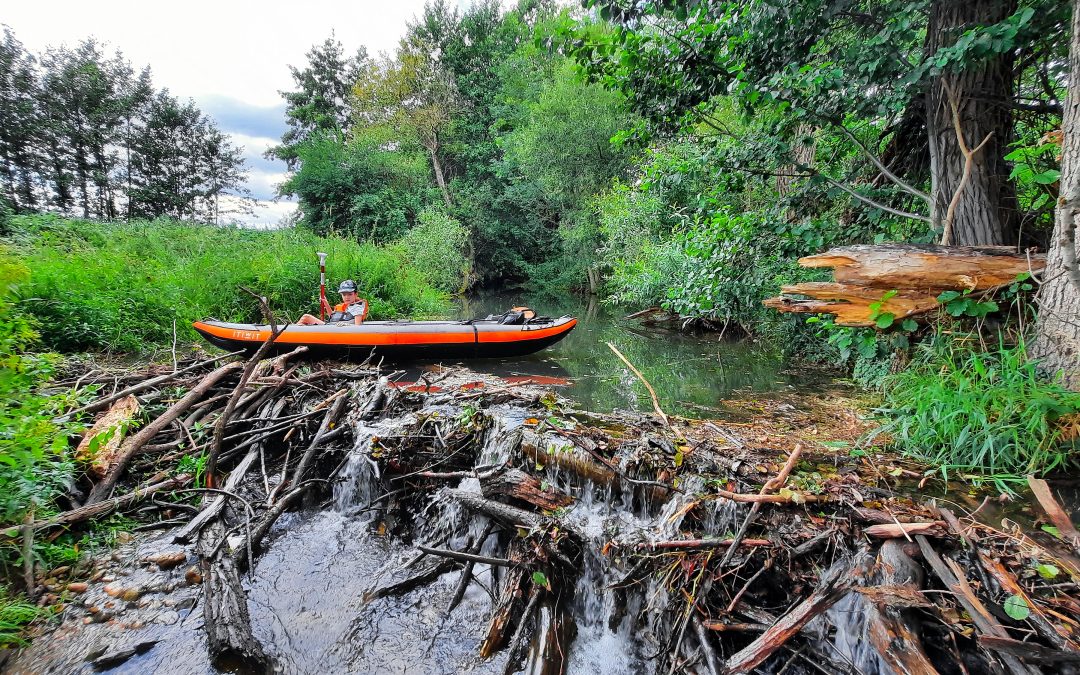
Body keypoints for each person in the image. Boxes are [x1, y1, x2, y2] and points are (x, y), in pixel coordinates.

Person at [298, 280, 368, 325]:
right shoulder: (345, 306)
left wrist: (347, 325)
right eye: (344, 294)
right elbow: (332, 318)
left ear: (356, 294)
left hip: (334, 330)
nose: (347, 297)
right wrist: (325, 302)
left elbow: (357, 327)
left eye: (350, 294)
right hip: (331, 327)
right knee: (305, 318)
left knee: (306, 317)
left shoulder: (357, 307)